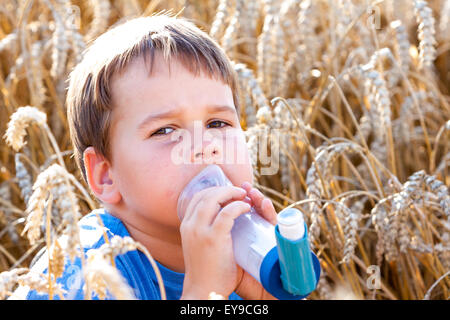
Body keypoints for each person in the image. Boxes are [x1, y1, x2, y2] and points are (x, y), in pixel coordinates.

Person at [18, 13, 278, 300]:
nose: (206, 145)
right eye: (165, 130)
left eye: (218, 123)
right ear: (106, 175)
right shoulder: (79, 278)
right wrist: (204, 293)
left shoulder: (250, 255)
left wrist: (272, 296)